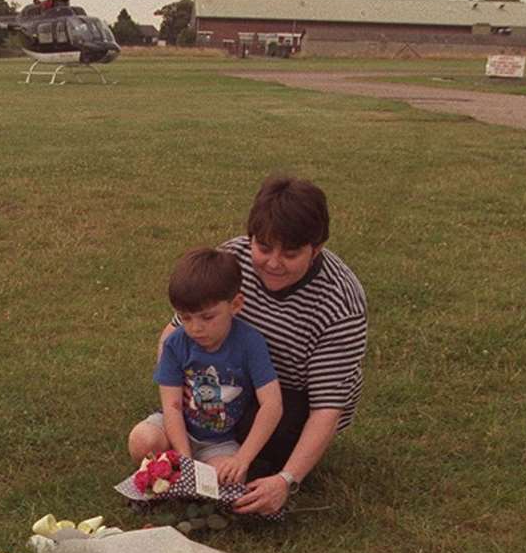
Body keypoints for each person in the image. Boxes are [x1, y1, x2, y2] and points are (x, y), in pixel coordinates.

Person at [130, 174, 367, 516]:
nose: (273, 262)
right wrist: (178, 393)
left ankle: (249, 463)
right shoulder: (233, 258)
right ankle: (194, 457)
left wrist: (286, 479)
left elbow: (328, 408)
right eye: (264, 247)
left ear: (316, 249)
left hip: (291, 397)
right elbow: (176, 331)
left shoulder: (341, 301)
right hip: (225, 385)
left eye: (290, 253)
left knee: (263, 459)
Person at [129, 246, 283, 485]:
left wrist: (242, 458)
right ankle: (173, 470)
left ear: (236, 305)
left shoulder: (250, 343)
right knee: (141, 440)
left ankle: (174, 474)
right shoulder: (175, 343)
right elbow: (172, 406)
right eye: (186, 317)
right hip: (174, 429)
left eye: (207, 317)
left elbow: (272, 405)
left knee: (227, 478)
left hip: (219, 442)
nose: (195, 328)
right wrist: (184, 458)